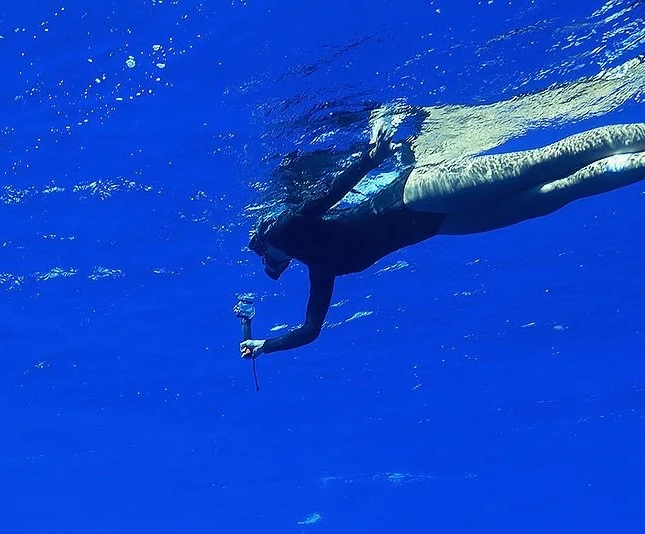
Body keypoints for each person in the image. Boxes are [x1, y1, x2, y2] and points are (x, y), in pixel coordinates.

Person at [242, 86, 645, 359]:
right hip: (436, 220)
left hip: (418, 194)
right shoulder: (315, 263)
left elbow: (327, 195)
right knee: (553, 189)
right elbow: (310, 330)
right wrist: (264, 346)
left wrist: (371, 157)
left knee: (545, 166)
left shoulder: (295, 241)